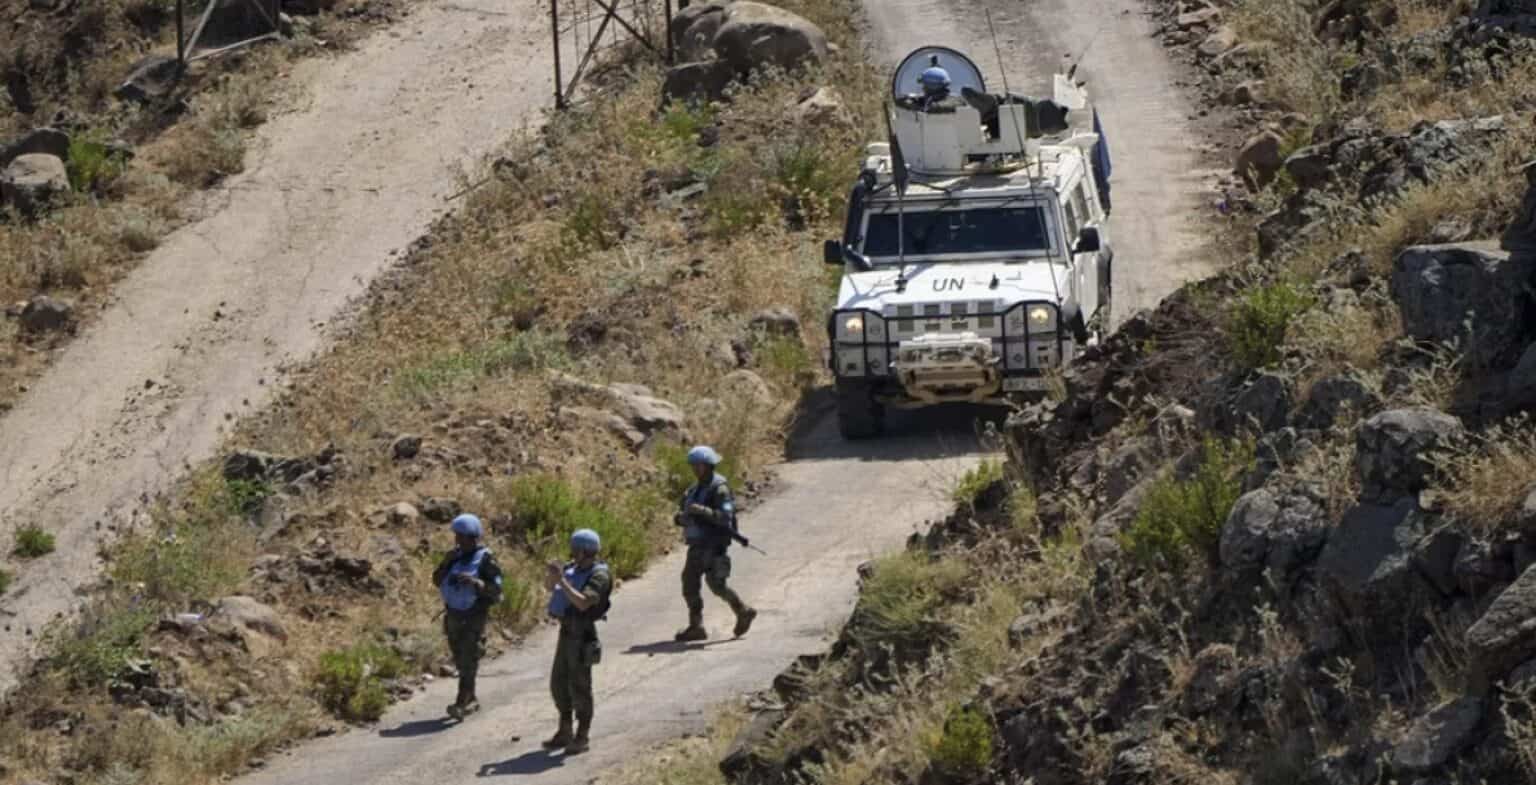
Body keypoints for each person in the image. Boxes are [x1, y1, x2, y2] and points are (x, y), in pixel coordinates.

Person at [673, 445, 757, 642]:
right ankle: (696, 626)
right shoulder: (693, 489)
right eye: (693, 465)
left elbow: (725, 517)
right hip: (696, 544)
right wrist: (680, 518)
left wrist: (703, 511)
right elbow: (683, 514)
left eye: (699, 465)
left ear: (709, 466)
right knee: (689, 584)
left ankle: (743, 611)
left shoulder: (720, 489)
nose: (696, 469)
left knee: (716, 585)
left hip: (713, 544)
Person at [541, 528, 612, 755]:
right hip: (566, 631)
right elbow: (550, 588)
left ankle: (582, 736)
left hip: (582, 635)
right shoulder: (573, 570)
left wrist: (563, 579)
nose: (571, 553)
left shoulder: (599, 575)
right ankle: (565, 730)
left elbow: (583, 603)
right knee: (558, 684)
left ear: (585, 551)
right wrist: (554, 575)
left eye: (575, 550)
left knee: (580, 687)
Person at [432, 514, 504, 719]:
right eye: (457, 536)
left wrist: (476, 583)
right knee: (459, 658)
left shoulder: (486, 560)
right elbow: (437, 581)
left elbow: (497, 590)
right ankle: (471, 699)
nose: (458, 541)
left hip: (474, 616)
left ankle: (461, 701)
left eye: (462, 537)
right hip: (453, 615)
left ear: (473, 538)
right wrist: (445, 565)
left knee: (468, 657)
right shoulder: (453, 557)